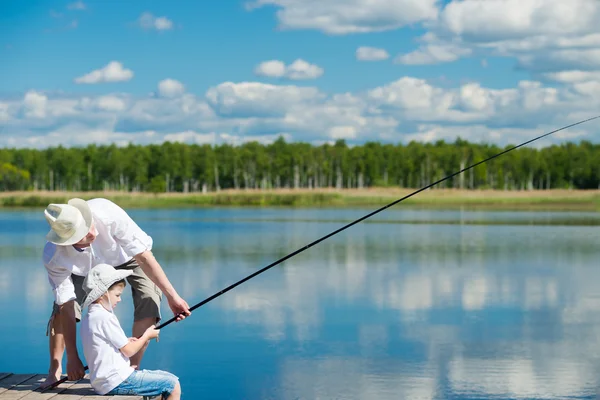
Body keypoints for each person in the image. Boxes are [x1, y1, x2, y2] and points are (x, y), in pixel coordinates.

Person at [40, 197, 191, 389]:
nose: (92, 233)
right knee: (61, 310)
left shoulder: (107, 213)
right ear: (67, 240)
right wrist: (73, 357)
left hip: (127, 257)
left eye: (88, 226)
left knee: (150, 297)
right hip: (82, 268)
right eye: (82, 235)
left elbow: (144, 256)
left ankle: (130, 369)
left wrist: (173, 296)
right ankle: (55, 369)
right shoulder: (55, 255)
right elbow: (67, 304)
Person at [80, 263, 181, 399]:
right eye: (117, 295)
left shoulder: (90, 317)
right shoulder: (105, 317)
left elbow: (105, 344)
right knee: (172, 385)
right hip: (117, 381)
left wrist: (127, 341)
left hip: (103, 381)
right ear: (103, 294)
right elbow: (129, 351)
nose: (120, 299)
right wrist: (146, 335)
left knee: (168, 377)